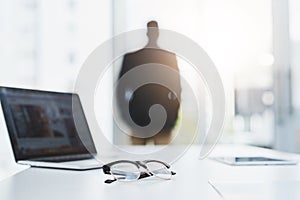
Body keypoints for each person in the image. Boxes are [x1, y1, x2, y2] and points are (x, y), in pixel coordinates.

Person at [117, 21, 181, 145]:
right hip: (139, 120)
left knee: (164, 160)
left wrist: (173, 117)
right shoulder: (132, 58)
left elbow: (177, 90)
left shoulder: (168, 57)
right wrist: (125, 116)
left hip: (162, 120)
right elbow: (120, 89)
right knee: (137, 160)